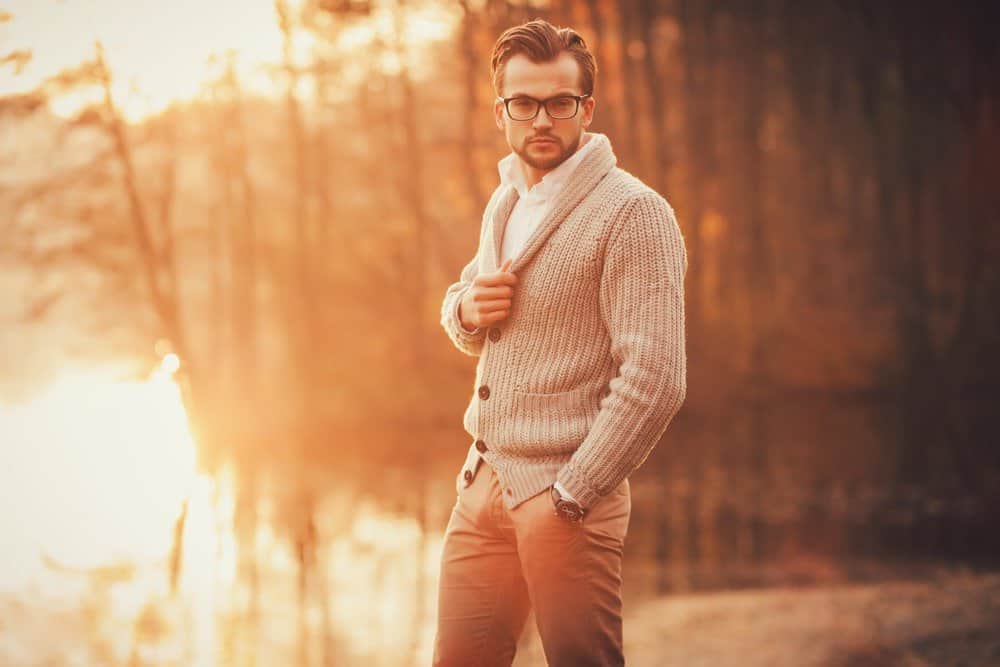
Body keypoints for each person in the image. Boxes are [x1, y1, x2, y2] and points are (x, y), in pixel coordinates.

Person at [434, 18, 687, 667]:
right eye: (524, 102)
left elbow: (655, 377)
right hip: (482, 485)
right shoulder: (508, 200)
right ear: (501, 111)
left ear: (587, 108)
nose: (541, 119)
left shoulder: (634, 213)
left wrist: (572, 493)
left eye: (559, 102)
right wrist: (467, 308)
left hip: (566, 503)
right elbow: (463, 302)